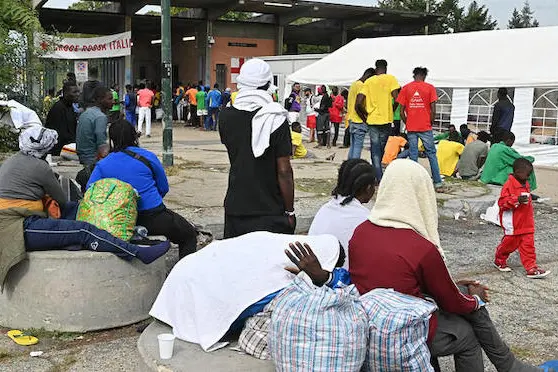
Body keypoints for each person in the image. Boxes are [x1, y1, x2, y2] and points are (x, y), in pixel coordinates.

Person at [349, 159, 545, 372]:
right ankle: (508, 365)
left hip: (367, 320)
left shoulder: (360, 233)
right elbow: (451, 302)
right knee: (467, 332)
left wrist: (458, 289)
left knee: (462, 294)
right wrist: (475, 300)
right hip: (404, 329)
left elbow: (397, 280)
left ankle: (509, 364)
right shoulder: (420, 247)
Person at [0, 127, 171, 288]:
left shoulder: (12, 161)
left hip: (16, 219)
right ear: (45, 150)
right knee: (83, 230)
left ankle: (85, 239)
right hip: (16, 227)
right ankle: (136, 253)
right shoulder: (40, 167)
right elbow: (61, 199)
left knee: (75, 212)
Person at [149, 232, 345, 351]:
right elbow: (343, 290)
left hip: (184, 274)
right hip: (200, 293)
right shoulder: (288, 284)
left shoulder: (273, 240)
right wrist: (322, 278)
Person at [87, 119, 198, 258]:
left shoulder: (103, 164)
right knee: (189, 235)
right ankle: (183, 277)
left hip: (116, 218)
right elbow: (163, 187)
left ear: (111, 139)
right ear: (134, 136)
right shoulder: (147, 157)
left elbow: (90, 191)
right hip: (152, 216)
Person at [219, 58, 295, 239]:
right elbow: (284, 171)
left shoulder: (226, 116)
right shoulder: (276, 118)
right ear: (268, 84)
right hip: (269, 207)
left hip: (236, 205)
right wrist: (290, 211)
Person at [309, 159, 375, 268]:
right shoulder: (366, 219)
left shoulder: (325, 209)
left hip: (317, 275)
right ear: (368, 188)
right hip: (346, 279)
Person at [494, 158, 549, 279]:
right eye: (527, 174)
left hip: (526, 221)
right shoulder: (509, 185)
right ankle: (499, 259)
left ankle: (531, 268)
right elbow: (502, 202)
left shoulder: (525, 183)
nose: (529, 177)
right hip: (513, 223)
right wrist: (516, 200)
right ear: (518, 172)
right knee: (509, 244)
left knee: (528, 246)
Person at [397, 67, 444, 189]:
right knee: (431, 154)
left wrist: (408, 122)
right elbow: (433, 109)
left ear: (414, 75)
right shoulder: (430, 88)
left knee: (413, 154)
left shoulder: (406, 88)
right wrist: (430, 122)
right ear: (424, 76)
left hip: (411, 127)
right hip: (425, 126)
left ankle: (414, 182)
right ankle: (437, 182)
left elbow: (401, 111)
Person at [356, 59, 400, 181]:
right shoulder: (391, 79)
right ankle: (378, 176)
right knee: (380, 148)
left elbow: (359, 102)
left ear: (376, 68)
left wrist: (365, 116)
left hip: (372, 119)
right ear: (386, 68)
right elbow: (397, 98)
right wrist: (391, 109)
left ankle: (376, 174)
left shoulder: (369, 81)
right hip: (386, 119)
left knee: (375, 149)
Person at [76, 86, 112, 166]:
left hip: (82, 155)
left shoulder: (86, 113)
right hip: (92, 157)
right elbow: (102, 147)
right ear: (100, 100)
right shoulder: (100, 117)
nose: (113, 102)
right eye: (109, 99)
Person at [347, 67, 375, 159]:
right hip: (358, 120)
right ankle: (354, 166)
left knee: (353, 146)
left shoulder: (353, 84)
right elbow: (358, 104)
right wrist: (365, 117)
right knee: (358, 147)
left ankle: (350, 165)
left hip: (351, 119)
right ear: (369, 76)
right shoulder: (361, 85)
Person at [45, 82, 79, 155]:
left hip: (68, 149)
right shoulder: (58, 109)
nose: (77, 94)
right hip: (59, 151)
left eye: (78, 92)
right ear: (66, 93)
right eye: (74, 92)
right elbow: (60, 133)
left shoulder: (70, 107)